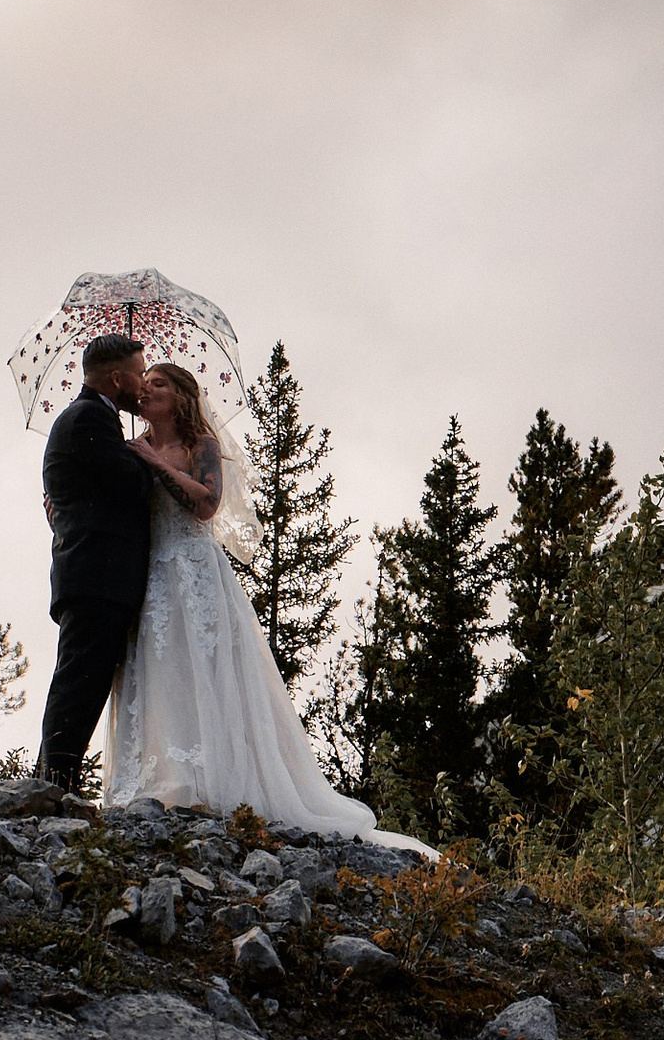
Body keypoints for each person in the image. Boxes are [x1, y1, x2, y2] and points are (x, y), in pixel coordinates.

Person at [105, 359, 429, 850]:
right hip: (153, 571)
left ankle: (214, 779)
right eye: (143, 383)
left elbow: (207, 506)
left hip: (196, 568)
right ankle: (167, 778)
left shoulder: (200, 447)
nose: (146, 390)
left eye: (158, 383)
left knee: (209, 668)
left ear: (180, 396)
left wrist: (156, 464)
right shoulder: (134, 447)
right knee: (162, 665)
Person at [34, 333, 153, 787]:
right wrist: (153, 454)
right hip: (95, 575)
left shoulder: (96, 420)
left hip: (97, 575)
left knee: (86, 678)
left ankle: (54, 778)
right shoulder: (88, 418)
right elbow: (130, 485)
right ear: (117, 377)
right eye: (139, 374)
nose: (142, 384)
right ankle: (54, 782)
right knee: (80, 680)